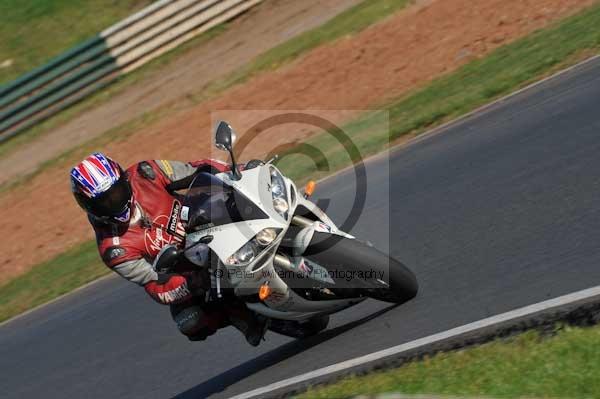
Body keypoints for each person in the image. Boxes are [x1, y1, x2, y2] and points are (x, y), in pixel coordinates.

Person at [70, 152, 268, 345]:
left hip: (209, 220)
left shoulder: (146, 173)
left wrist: (239, 171)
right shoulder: (115, 250)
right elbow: (156, 286)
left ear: (125, 179)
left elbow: (197, 169)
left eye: (117, 191)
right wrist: (199, 280)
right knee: (190, 320)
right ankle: (241, 315)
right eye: (105, 202)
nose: (115, 202)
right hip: (191, 267)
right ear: (87, 205)